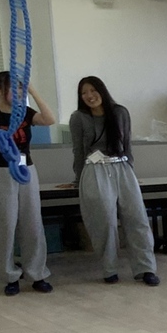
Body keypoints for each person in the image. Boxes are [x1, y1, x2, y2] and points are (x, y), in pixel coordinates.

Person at [67, 76, 160, 286]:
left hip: (122, 167)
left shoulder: (120, 112)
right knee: (104, 222)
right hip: (94, 170)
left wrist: (130, 172)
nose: (89, 96)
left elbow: (127, 145)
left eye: (93, 90)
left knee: (137, 218)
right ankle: (109, 269)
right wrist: (79, 179)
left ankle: (146, 268)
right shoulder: (78, 118)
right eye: (84, 92)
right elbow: (78, 151)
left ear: (102, 90)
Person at [0, 72, 55, 296]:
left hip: (26, 171)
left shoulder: (24, 112)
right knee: (4, 226)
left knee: (33, 224)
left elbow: (49, 119)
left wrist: (33, 91)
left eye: (21, 88)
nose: (18, 92)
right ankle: (10, 276)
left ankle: (37, 273)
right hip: (0, 172)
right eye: (14, 87)